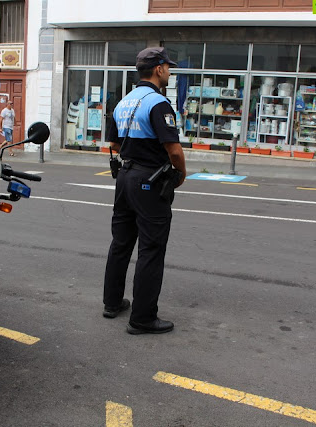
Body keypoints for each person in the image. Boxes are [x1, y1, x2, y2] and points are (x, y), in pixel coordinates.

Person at [102, 47, 186, 335]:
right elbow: (174, 150)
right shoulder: (158, 103)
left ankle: (112, 303)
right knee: (151, 249)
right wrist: (181, 175)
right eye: (168, 68)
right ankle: (142, 318)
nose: (170, 73)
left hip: (124, 178)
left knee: (121, 243)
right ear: (159, 69)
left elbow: (113, 145)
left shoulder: (124, 102)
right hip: (149, 181)